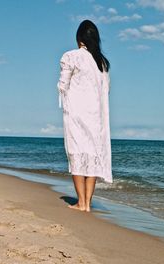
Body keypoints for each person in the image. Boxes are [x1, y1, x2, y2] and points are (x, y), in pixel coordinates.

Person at [57, 20, 112, 212]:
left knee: (77, 155)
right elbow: (107, 91)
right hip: (96, 118)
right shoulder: (102, 63)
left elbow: (63, 85)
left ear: (79, 38)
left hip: (77, 115)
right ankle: (87, 203)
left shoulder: (71, 56)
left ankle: (81, 203)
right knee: (92, 158)